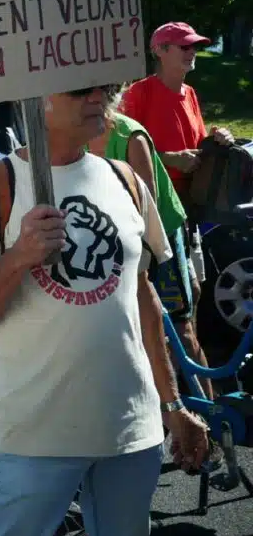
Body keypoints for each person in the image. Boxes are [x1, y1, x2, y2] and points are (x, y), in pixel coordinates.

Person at [0, 85, 210, 536]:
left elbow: (143, 298)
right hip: (36, 431)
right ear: (35, 97)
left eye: (105, 91)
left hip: (129, 430)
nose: (100, 102)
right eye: (81, 91)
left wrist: (173, 405)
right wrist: (19, 256)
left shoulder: (125, 180)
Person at [89, 89, 214, 398]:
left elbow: (149, 208)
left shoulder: (131, 135)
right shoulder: (76, 137)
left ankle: (211, 414)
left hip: (159, 236)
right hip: (117, 238)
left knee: (180, 329)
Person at [121, 22, 234, 292]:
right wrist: (169, 159)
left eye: (195, 46)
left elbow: (197, 144)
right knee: (173, 294)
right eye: (184, 46)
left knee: (193, 289)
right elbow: (117, 153)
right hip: (155, 211)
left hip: (188, 206)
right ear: (160, 50)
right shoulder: (139, 93)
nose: (192, 51)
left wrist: (219, 138)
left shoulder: (190, 94)